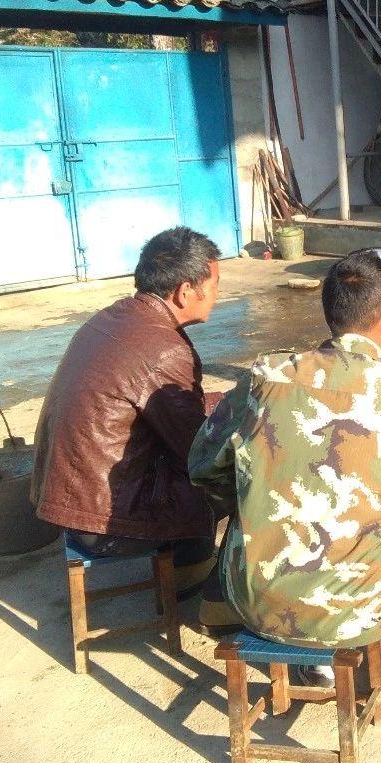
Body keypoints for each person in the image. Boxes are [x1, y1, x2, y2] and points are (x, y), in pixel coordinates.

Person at [189, 251, 381, 716]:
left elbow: (203, 466)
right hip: (363, 614)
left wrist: (262, 487)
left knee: (267, 497)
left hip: (254, 602)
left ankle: (319, 663)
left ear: (330, 313)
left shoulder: (265, 378)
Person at [32, 226, 232, 613]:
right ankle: (210, 586)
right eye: (215, 284)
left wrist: (224, 401)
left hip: (64, 495)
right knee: (238, 476)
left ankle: (189, 563)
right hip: (100, 521)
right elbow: (197, 451)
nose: (217, 294)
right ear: (185, 291)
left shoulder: (115, 317)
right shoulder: (164, 349)